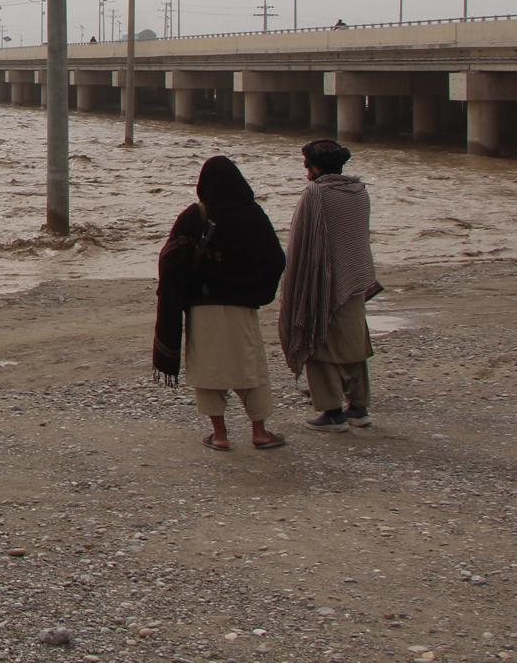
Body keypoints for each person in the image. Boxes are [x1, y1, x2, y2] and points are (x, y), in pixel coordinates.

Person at [153, 156, 289, 451]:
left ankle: (221, 435)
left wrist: (181, 293)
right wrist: (257, 292)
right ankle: (260, 432)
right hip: (242, 308)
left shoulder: (196, 216)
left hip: (204, 307)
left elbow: (170, 260)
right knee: (250, 369)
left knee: (209, 370)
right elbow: (276, 259)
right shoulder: (253, 214)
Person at [278, 139, 379, 432]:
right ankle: (358, 407)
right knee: (354, 343)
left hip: (322, 283)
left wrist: (295, 285)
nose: (306, 173)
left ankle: (332, 411)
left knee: (316, 342)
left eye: (307, 166)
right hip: (355, 279)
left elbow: (300, 243)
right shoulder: (360, 192)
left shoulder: (316, 194)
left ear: (316, 167)